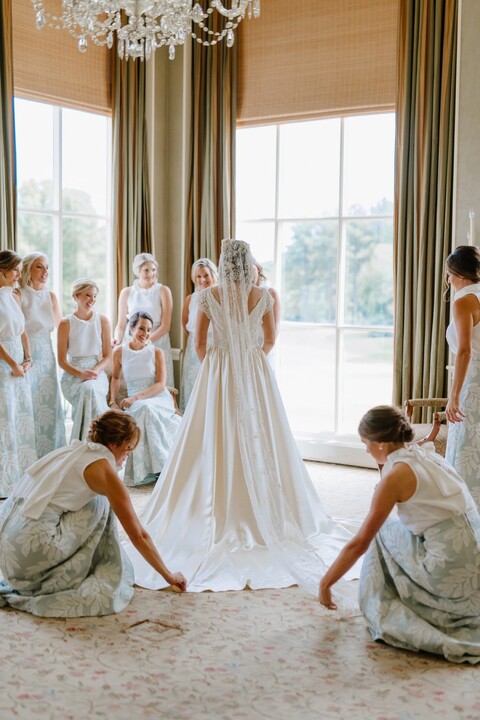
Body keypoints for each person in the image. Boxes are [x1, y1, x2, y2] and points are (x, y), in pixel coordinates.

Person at [123, 239, 354, 595]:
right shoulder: (263, 294)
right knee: (265, 433)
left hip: (218, 369)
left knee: (214, 433)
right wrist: (249, 359)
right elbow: (270, 339)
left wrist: (220, 361)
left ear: (222, 264)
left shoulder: (206, 296)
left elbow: (198, 343)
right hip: (254, 370)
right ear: (247, 264)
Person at [319, 405, 480, 664]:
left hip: (449, 574)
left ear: (381, 444)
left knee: (382, 532)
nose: (366, 450)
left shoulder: (395, 476)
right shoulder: (426, 452)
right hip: (474, 561)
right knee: (399, 527)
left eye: (366, 444)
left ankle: (384, 606)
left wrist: (326, 583)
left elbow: (360, 543)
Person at [0, 411, 187, 617]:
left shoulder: (73, 451)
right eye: (128, 448)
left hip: (9, 555)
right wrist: (168, 575)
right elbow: (138, 535)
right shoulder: (104, 471)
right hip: (31, 554)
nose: (128, 455)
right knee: (102, 501)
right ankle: (82, 570)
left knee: (93, 498)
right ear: (114, 445)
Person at [109, 311, 182, 486]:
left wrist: (135, 398)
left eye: (149, 330)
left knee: (146, 409)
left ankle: (163, 467)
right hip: (135, 402)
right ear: (131, 328)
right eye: (142, 328)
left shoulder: (157, 352)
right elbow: (116, 378)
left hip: (156, 397)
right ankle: (147, 471)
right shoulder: (119, 352)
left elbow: (161, 385)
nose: (146, 334)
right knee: (143, 409)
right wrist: (112, 401)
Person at [18, 252, 66, 456]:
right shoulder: (18, 294)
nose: (45, 271)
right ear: (28, 269)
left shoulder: (51, 296)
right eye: (39, 267)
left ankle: (50, 454)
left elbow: (62, 327)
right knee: (27, 401)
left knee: (47, 402)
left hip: (46, 353)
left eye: (47, 267)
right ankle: (28, 453)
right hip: (24, 353)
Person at [444, 245, 480, 508]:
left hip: (473, 380)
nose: (448, 280)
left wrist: (454, 396)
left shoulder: (463, 301)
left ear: (458, 273)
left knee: (467, 443)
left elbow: (465, 351)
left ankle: (465, 511)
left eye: (449, 274)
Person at [0, 250, 37, 498]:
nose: (19, 274)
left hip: (18, 363)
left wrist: (27, 357)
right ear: (1, 271)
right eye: (15, 269)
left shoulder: (13, 296)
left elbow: (22, 329)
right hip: (4, 362)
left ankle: (19, 478)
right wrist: (13, 363)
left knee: (18, 416)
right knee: (4, 419)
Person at [58, 279, 111, 441]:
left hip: (96, 372)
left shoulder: (103, 321)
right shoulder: (65, 323)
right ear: (76, 296)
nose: (92, 300)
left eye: (94, 296)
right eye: (88, 295)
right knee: (87, 389)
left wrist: (94, 371)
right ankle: (90, 442)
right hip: (73, 374)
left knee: (90, 389)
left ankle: (91, 441)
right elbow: (61, 361)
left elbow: (108, 355)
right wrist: (81, 374)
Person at [113, 253, 174, 388]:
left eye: (153, 270)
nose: (151, 273)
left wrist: (147, 340)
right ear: (138, 271)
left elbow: (166, 325)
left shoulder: (163, 290)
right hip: (133, 341)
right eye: (146, 270)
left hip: (157, 340)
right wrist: (117, 339)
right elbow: (121, 325)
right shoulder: (126, 292)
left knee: (159, 381)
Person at [179, 258, 218, 411]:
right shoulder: (190, 299)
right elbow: (185, 325)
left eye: (206, 275)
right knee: (193, 383)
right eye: (199, 276)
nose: (203, 280)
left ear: (213, 275)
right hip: (193, 348)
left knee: (211, 385)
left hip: (213, 347)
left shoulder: (220, 298)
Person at [253, 260, 281, 333]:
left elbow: (274, 329)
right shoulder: (243, 295)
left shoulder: (271, 293)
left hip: (264, 342)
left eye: (251, 269)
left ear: (258, 269)